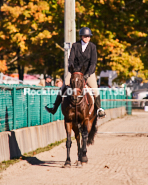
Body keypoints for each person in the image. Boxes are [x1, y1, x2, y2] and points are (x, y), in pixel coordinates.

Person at [45, 27, 106, 117]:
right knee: (64, 84)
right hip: (75, 71)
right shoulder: (75, 45)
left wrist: (88, 74)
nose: (87, 38)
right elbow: (71, 60)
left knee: (95, 89)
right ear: (81, 36)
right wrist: (73, 71)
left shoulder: (92, 47)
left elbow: (93, 63)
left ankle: (99, 109)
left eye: (89, 36)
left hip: (88, 73)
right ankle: (54, 107)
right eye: (85, 36)